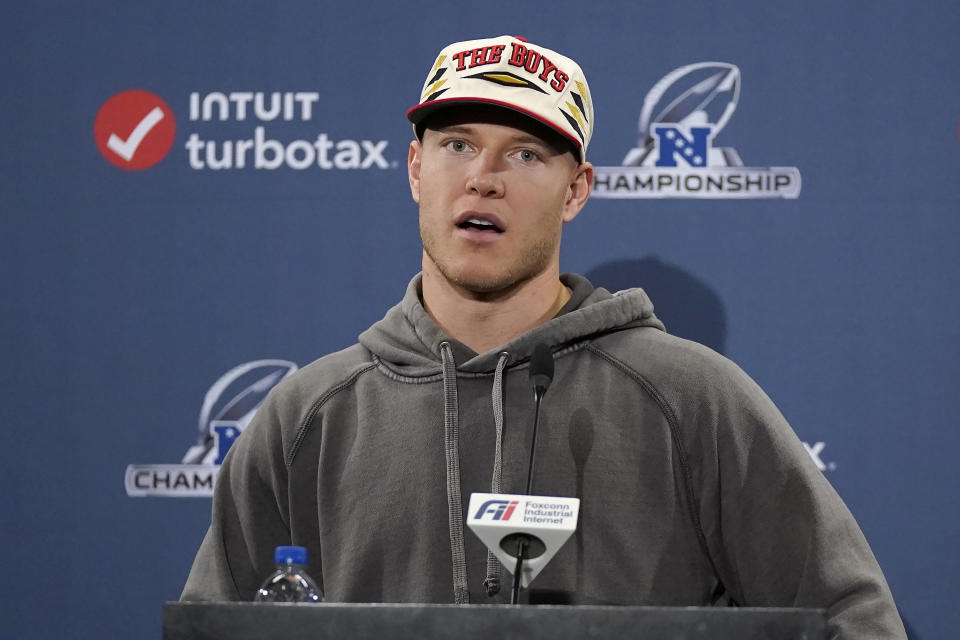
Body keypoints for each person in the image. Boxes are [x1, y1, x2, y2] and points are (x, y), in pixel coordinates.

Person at [182, 35, 906, 639]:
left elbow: (851, 618)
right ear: (414, 168)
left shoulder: (691, 398)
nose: (484, 178)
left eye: (526, 154)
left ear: (578, 189)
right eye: (457, 145)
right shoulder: (307, 414)